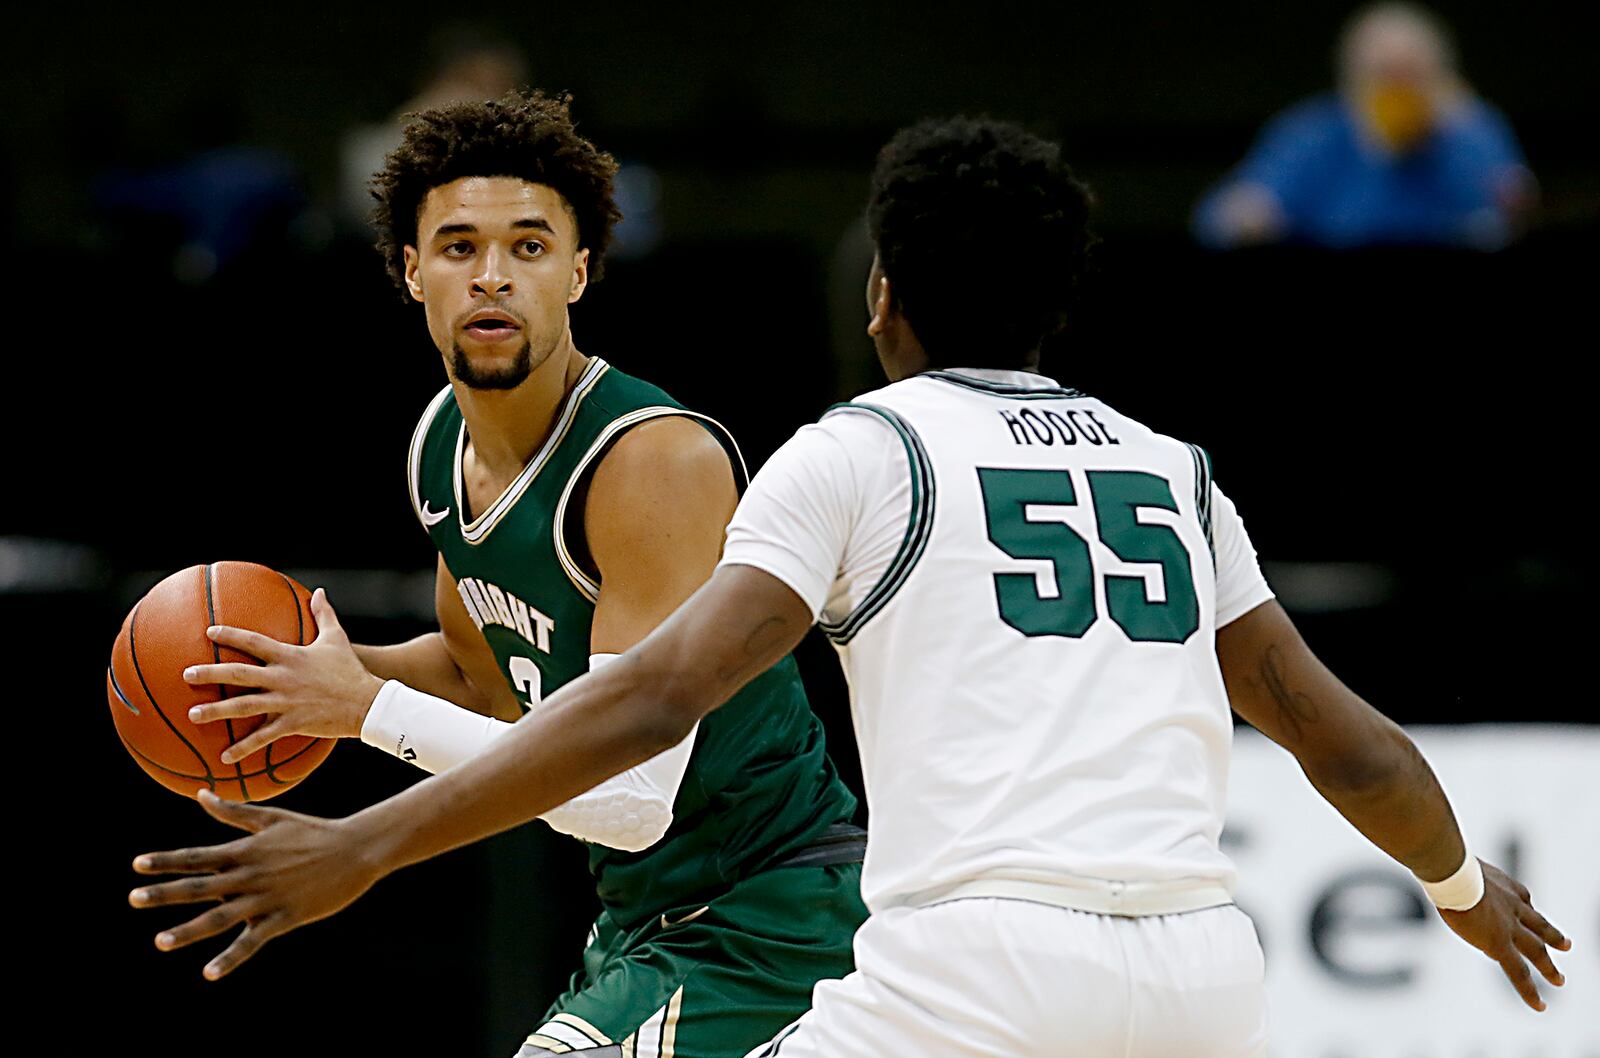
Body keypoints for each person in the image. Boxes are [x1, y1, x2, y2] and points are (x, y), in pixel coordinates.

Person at [132, 116, 1570, 1057]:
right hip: (1209, 972)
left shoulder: (855, 449)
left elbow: (651, 705)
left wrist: (362, 840)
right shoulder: (1172, 468)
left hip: (963, 966)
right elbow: (1346, 739)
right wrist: (1456, 882)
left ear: (882, 294)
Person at [161, 90, 868, 1058]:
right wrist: (294, 670)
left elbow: (627, 801)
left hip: (772, 912)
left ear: (579, 271)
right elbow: (484, 679)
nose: (491, 275)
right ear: (411, 271)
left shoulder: (650, 459)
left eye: (527, 247)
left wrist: (364, 709)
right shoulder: (439, 444)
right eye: (458, 247)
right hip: (645, 918)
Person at [1194, 3, 1534, 250]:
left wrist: (1451, 140)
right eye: (1385, 74)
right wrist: (1245, 215)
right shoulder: (1314, 131)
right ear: (1352, 78)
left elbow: (1512, 211)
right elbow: (1224, 216)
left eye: (1412, 74)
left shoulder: (1472, 128)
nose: (1398, 88)